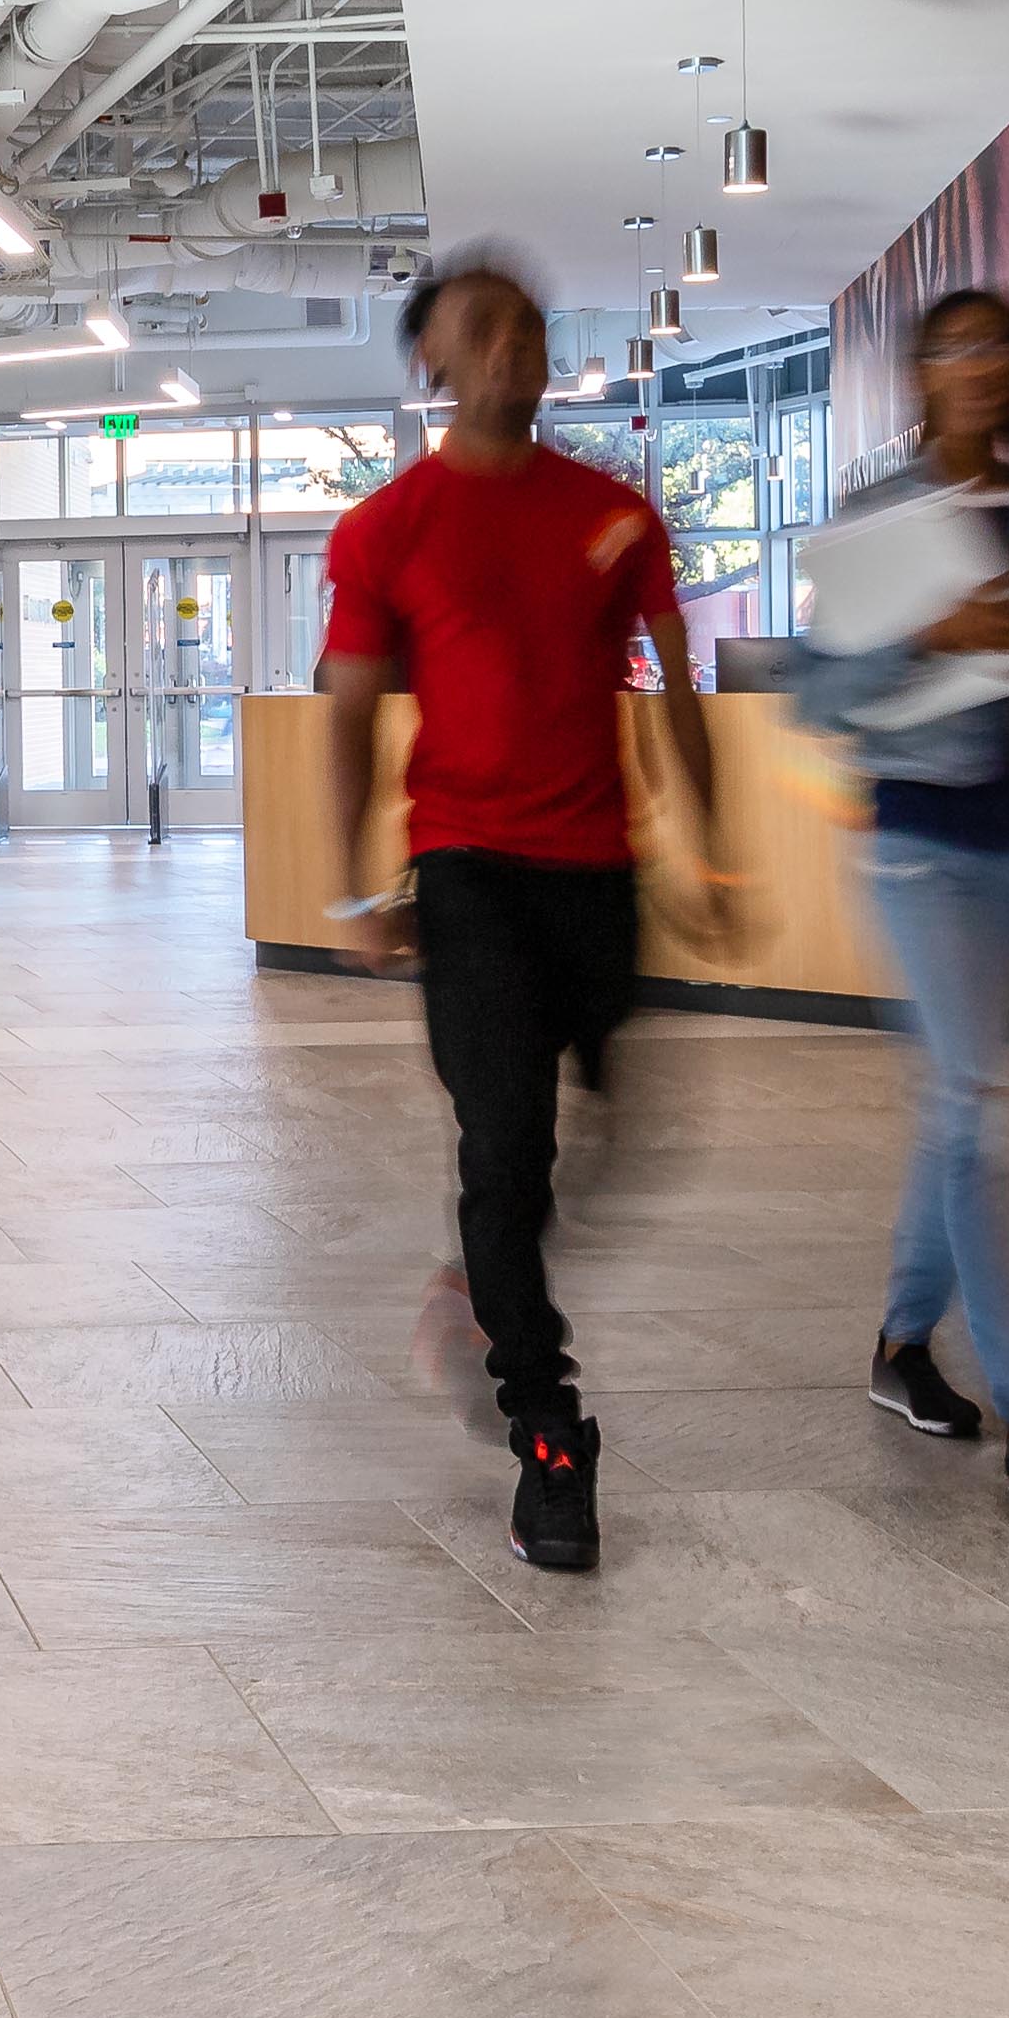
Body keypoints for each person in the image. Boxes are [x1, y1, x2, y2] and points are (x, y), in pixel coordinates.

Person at [315, 255, 737, 1578]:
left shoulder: (612, 514)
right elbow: (346, 708)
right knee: (505, 1148)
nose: (512, 345)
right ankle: (545, 1432)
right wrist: (352, 886)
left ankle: (474, 1279)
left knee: (632, 1132)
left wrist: (708, 850)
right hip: (467, 870)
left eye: (529, 326)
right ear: (428, 360)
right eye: (479, 328)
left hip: (594, 871)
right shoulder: (384, 527)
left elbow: (673, 688)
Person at [789, 285, 1009, 1531]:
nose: (979, 365)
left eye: (998, 346)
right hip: (914, 841)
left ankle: (900, 1344)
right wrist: (936, 631)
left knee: (954, 1107)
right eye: (955, 347)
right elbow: (822, 700)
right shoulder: (879, 517)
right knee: (978, 1105)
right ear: (922, 373)